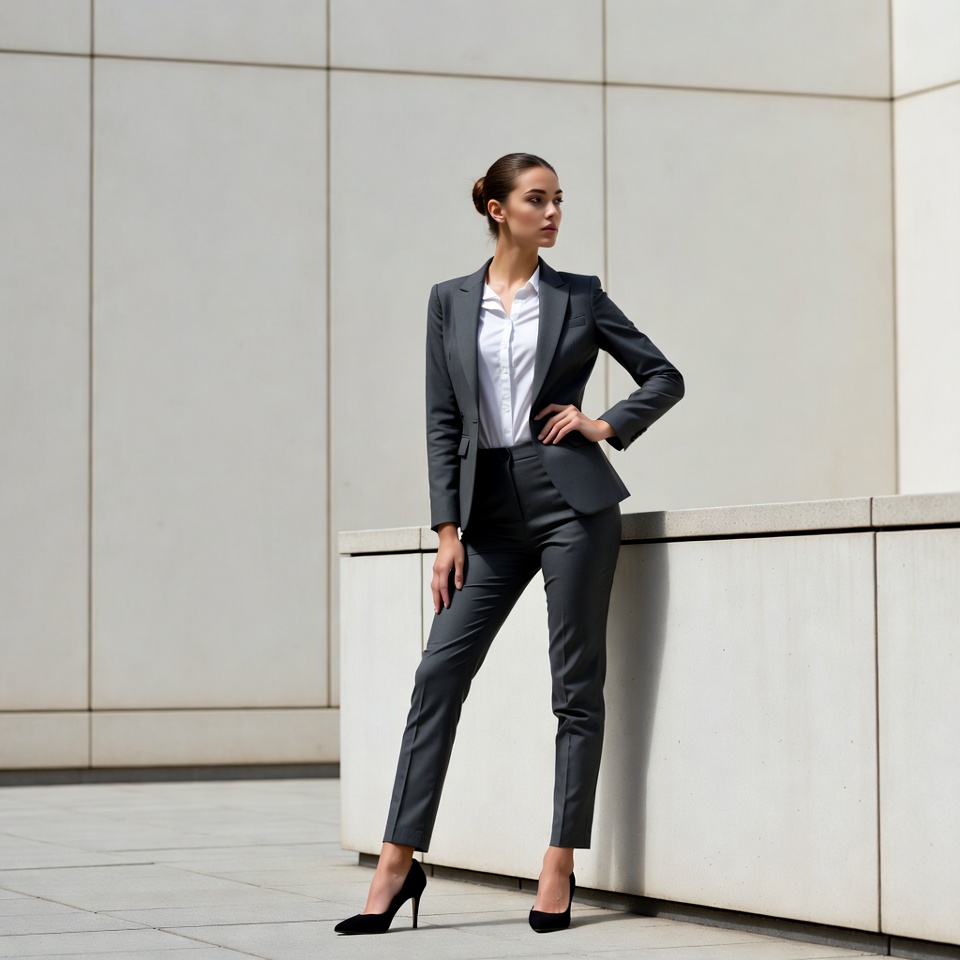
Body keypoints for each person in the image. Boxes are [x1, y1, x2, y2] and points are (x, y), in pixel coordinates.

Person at [335, 153, 684, 936]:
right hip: (486, 516)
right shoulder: (449, 302)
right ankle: (398, 861)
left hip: (573, 508)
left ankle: (558, 862)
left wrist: (605, 423)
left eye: (559, 200)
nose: (553, 212)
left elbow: (663, 375)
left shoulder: (579, 296)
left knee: (574, 687)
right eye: (537, 199)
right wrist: (447, 532)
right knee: (438, 674)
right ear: (496, 209)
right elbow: (443, 421)